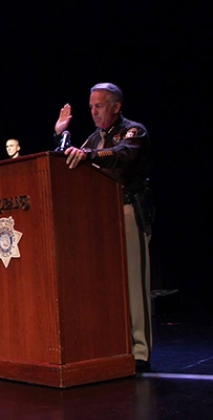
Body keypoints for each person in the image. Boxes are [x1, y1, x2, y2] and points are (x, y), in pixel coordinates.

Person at [55, 82, 152, 373]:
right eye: (91, 107)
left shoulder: (134, 131)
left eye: (100, 106)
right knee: (103, 284)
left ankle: (140, 351)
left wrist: (91, 156)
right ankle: (111, 345)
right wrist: (62, 136)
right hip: (97, 217)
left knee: (134, 283)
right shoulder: (94, 137)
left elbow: (123, 154)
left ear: (116, 106)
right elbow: (67, 161)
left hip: (127, 210)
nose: (94, 112)